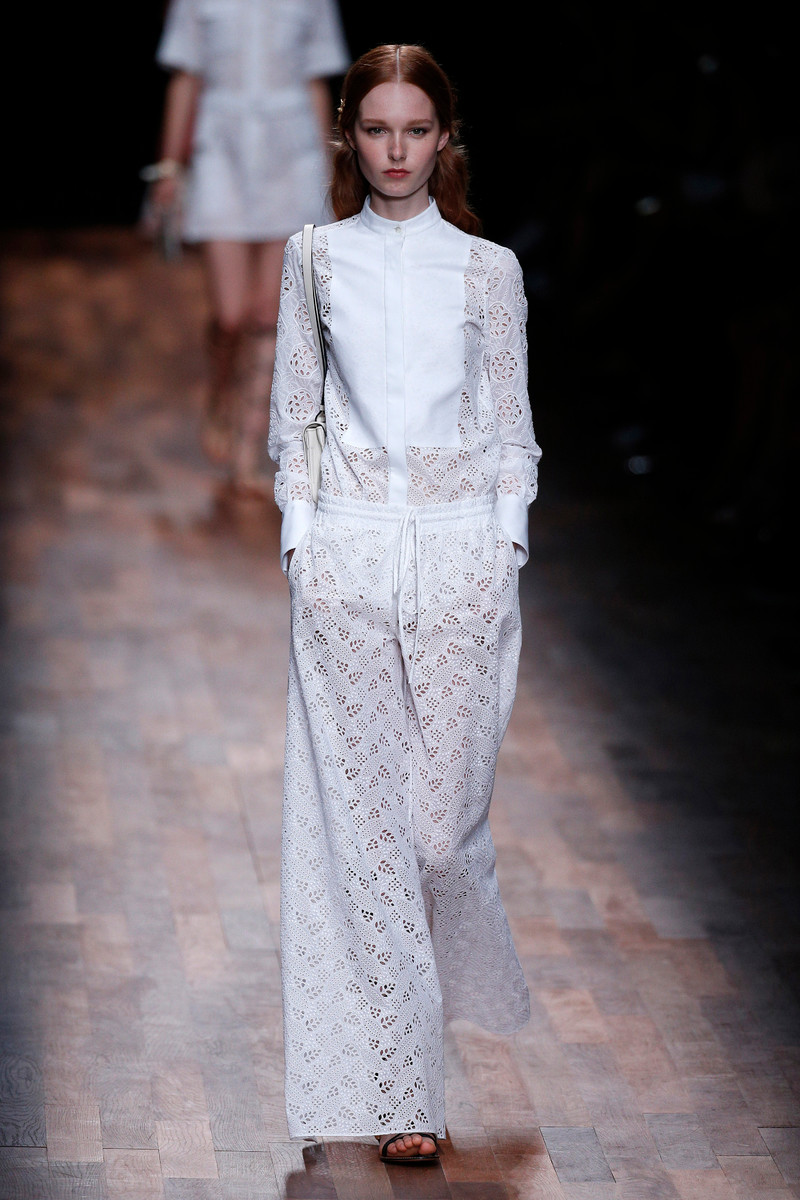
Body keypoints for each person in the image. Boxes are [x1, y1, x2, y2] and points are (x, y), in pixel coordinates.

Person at [268, 44, 541, 1164]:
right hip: (346, 559)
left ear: (444, 138)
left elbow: (512, 425)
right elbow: (295, 413)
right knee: (371, 834)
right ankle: (404, 1093)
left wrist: (503, 544)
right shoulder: (312, 258)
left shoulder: (488, 271)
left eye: (414, 130)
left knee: (438, 831)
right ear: (350, 135)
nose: (395, 150)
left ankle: (453, 1002)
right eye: (376, 129)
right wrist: (303, 541)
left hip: (461, 561)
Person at [147, 0, 349, 496]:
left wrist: (330, 175)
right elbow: (185, 77)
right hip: (222, 149)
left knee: (266, 314)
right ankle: (220, 392)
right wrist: (169, 166)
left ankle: (246, 448)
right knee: (230, 314)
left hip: (293, 154)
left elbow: (315, 80)